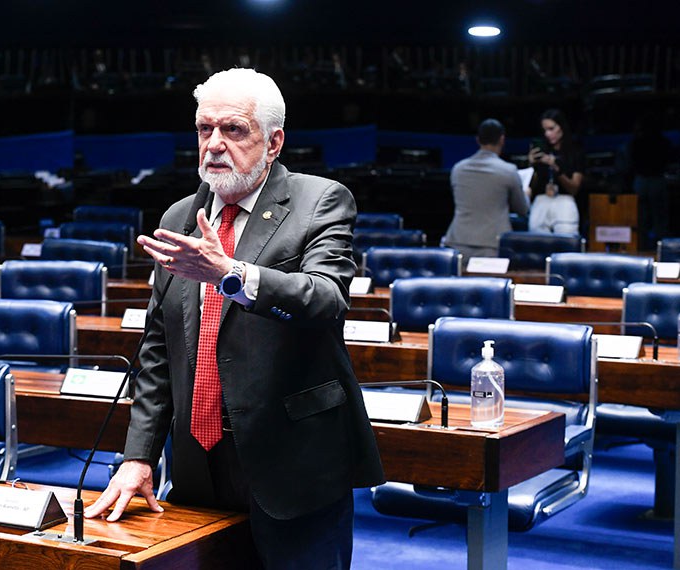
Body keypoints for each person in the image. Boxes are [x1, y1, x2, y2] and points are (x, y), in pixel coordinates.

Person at [84, 68, 384, 568]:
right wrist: (139, 455)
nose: (215, 145)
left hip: (293, 459)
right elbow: (159, 348)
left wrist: (232, 274)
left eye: (234, 130)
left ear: (273, 142)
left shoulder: (319, 201)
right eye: (205, 130)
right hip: (198, 462)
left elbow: (327, 299)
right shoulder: (179, 217)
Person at [442, 118, 530, 262]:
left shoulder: (458, 169)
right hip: (492, 246)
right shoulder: (508, 171)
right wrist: (526, 194)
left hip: (457, 242)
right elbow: (522, 209)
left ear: (478, 140)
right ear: (502, 140)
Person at [528, 108, 585, 234]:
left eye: (551, 129)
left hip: (564, 201)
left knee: (566, 241)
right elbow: (530, 188)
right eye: (544, 130)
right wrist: (531, 166)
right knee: (537, 240)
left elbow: (574, 188)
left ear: (561, 127)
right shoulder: (541, 150)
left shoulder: (574, 151)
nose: (547, 134)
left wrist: (556, 169)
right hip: (541, 201)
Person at [629, 113, 674, 249]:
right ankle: (649, 247)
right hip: (651, 180)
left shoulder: (638, 142)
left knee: (650, 217)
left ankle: (652, 247)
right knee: (649, 217)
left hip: (648, 180)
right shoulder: (662, 142)